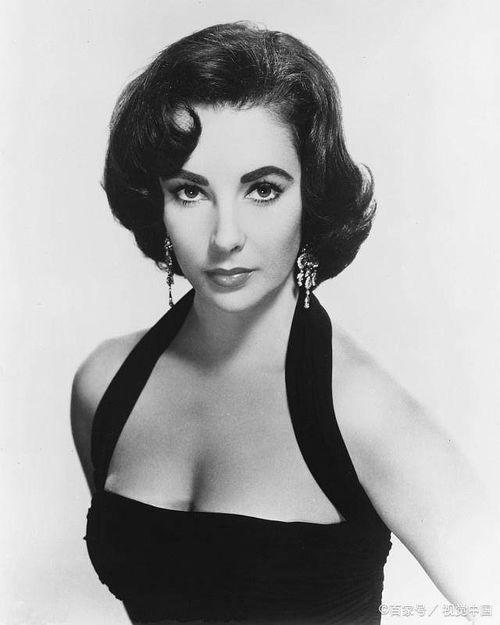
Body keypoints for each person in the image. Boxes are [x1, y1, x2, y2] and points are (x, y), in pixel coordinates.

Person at [71, 21, 497, 625]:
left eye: (263, 190)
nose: (225, 237)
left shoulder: (362, 413)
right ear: (156, 203)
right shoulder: (104, 385)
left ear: (310, 199)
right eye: (190, 192)